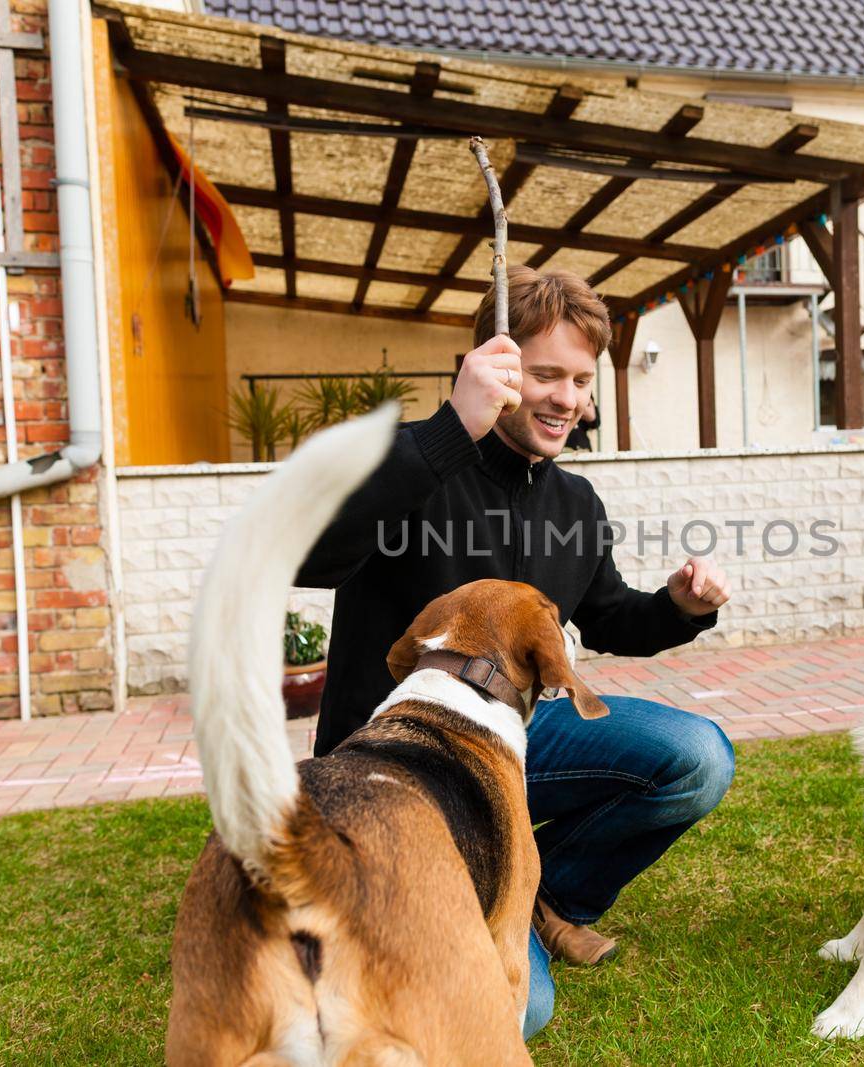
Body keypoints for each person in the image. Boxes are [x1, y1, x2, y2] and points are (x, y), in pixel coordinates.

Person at [293, 266, 735, 1040]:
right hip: (399, 769)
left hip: (514, 748)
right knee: (520, 1010)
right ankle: (470, 901)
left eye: (579, 378)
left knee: (697, 755)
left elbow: (607, 616)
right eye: (543, 374)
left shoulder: (574, 502)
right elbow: (308, 555)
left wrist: (678, 607)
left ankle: (549, 892)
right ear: (490, 367)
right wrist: (446, 433)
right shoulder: (405, 463)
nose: (567, 397)